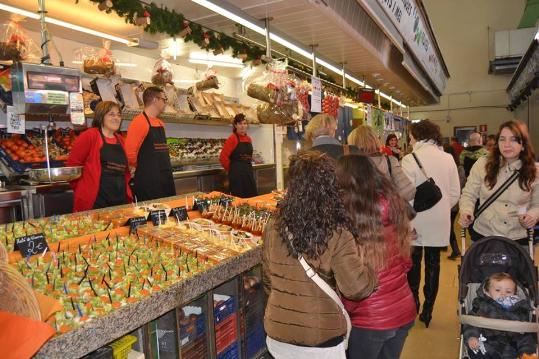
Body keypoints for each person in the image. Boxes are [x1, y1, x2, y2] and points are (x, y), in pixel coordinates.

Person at [262, 151, 376, 358]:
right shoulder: (337, 231)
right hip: (321, 337)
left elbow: (268, 280)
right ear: (331, 186)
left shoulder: (273, 225)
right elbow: (356, 288)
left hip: (277, 333)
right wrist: (370, 271)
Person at [336, 154, 416, 359]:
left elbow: (354, 288)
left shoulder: (352, 220)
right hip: (403, 310)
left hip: (370, 319)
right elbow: (406, 263)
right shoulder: (394, 207)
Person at [401, 119, 460, 328]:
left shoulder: (410, 159)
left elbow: (404, 194)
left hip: (415, 219)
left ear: (416, 135)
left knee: (414, 263)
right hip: (440, 220)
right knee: (434, 264)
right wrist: (442, 207)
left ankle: (414, 304)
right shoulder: (448, 158)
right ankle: (428, 311)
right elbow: (455, 193)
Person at [459, 120, 539, 245]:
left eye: (513, 139)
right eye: (502, 139)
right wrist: (466, 211)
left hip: (519, 237)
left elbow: (537, 204)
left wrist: (533, 216)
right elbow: (469, 194)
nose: (506, 144)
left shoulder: (535, 171)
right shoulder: (482, 164)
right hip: (484, 234)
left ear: (523, 144)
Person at [67, 101, 132, 212]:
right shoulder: (89, 136)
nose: (116, 118)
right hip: (96, 202)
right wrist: (84, 189)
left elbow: (123, 170)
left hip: (119, 200)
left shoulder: (120, 140)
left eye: (118, 115)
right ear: (101, 116)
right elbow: (72, 168)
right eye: (111, 114)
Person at [464, 272, 536, 359]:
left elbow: (524, 327)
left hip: (512, 341)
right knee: (477, 349)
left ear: (515, 294)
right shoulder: (481, 305)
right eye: (498, 290)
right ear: (487, 292)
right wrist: (471, 336)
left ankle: (527, 354)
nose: (503, 294)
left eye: (508, 291)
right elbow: (471, 323)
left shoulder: (519, 307)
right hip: (487, 339)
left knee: (526, 338)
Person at [125, 86, 175, 201]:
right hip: (148, 182)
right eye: (164, 99)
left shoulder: (160, 123)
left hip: (165, 178)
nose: (165, 102)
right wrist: (143, 168)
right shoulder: (139, 122)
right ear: (154, 100)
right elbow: (129, 153)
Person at [348, 125, 415, 201]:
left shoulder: (349, 166)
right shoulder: (390, 161)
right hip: (388, 211)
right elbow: (409, 192)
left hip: (361, 212)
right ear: (375, 140)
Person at [219, 114, 258, 198]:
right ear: (235, 125)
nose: (242, 126)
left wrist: (252, 159)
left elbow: (247, 156)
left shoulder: (248, 139)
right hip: (237, 175)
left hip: (248, 172)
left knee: (252, 197)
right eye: (240, 124)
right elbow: (222, 157)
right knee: (239, 199)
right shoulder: (232, 138)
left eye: (244, 123)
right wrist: (232, 169)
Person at [443, 144, 466, 260]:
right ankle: (444, 246)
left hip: (449, 203)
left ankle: (456, 249)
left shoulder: (448, 168)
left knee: (449, 227)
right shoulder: (460, 168)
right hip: (455, 203)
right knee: (448, 225)